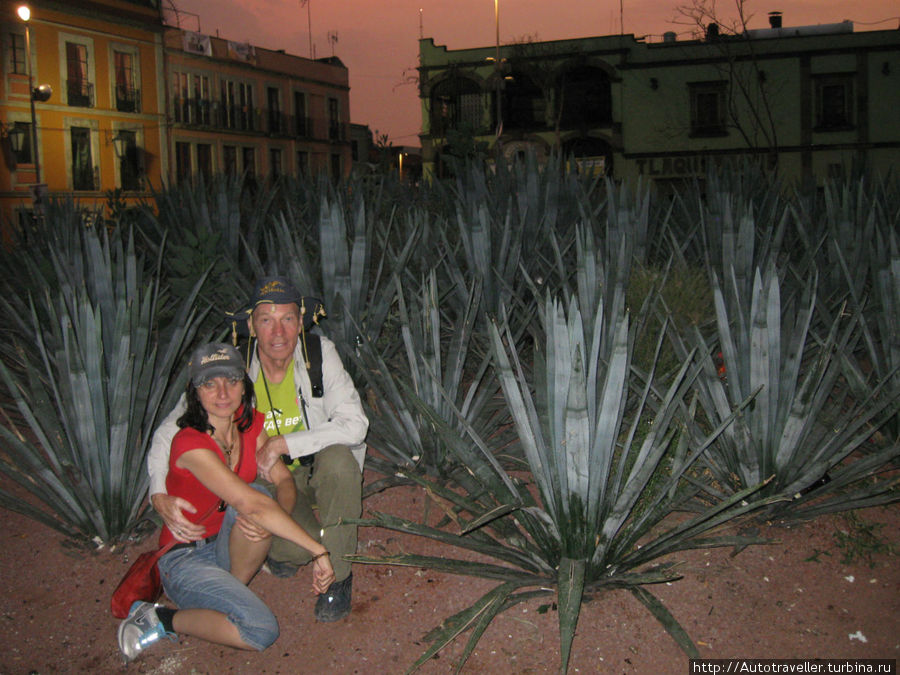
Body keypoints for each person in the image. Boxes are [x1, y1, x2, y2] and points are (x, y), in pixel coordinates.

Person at [147, 276, 368, 622]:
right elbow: (169, 432)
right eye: (266, 320)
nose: (278, 332)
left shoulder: (319, 354)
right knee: (292, 546)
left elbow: (356, 424)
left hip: (318, 467)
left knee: (340, 460)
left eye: (288, 318)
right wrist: (158, 493)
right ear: (251, 325)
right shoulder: (232, 369)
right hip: (268, 480)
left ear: (301, 321)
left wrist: (284, 443)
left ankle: (338, 577)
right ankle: (284, 551)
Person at [118, 343, 335, 661]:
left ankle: (227, 593)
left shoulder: (250, 426)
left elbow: (283, 480)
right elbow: (249, 503)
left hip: (225, 543)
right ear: (195, 392)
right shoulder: (190, 443)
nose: (222, 393)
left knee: (261, 500)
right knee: (261, 630)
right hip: (185, 558)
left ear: (244, 385)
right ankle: (158, 617)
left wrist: (277, 517)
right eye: (210, 384)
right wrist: (319, 551)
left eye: (231, 381)